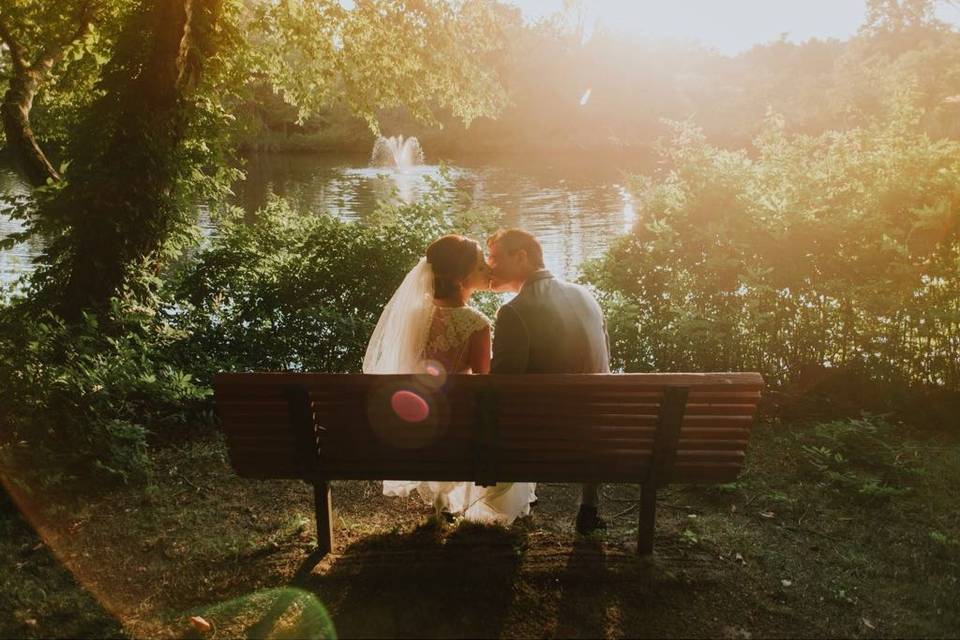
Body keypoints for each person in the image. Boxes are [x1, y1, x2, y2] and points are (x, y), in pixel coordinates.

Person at [363, 234, 536, 524]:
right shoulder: (477, 324)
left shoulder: (414, 316)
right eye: (481, 266)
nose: (488, 270)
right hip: (459, 430)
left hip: (417, 427)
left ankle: (443, 502)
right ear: (460, 278)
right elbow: (484, 384)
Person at [486, 228, 611, 535]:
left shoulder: (514, 311)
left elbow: (500, 386)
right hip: (599, 431)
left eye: (495, 258)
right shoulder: (586, 295)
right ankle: (589, 506)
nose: (490, 267)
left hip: (548, 436)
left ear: (521, 257)